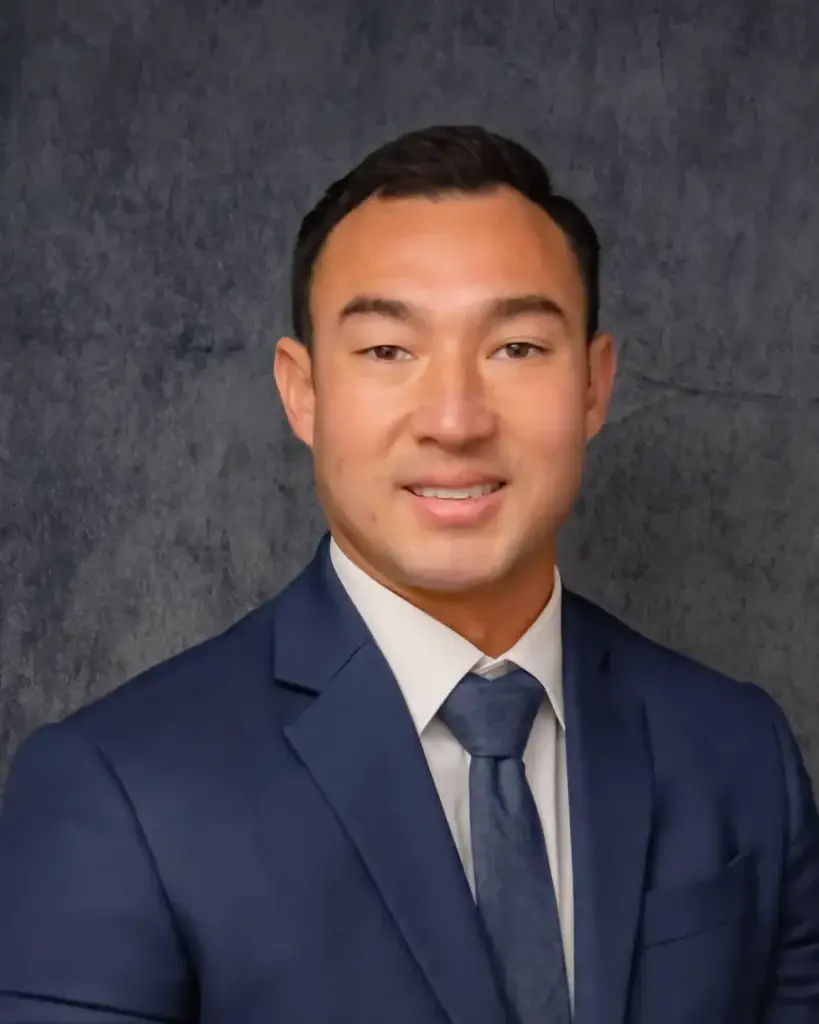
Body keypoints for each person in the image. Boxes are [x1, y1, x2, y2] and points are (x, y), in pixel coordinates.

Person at [1, 124, 817, 1024]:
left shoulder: (739, 753)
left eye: (516, 348)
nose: (456, 420)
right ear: (301, 390)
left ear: (593, 385)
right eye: (388, 351)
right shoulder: (118, 790)